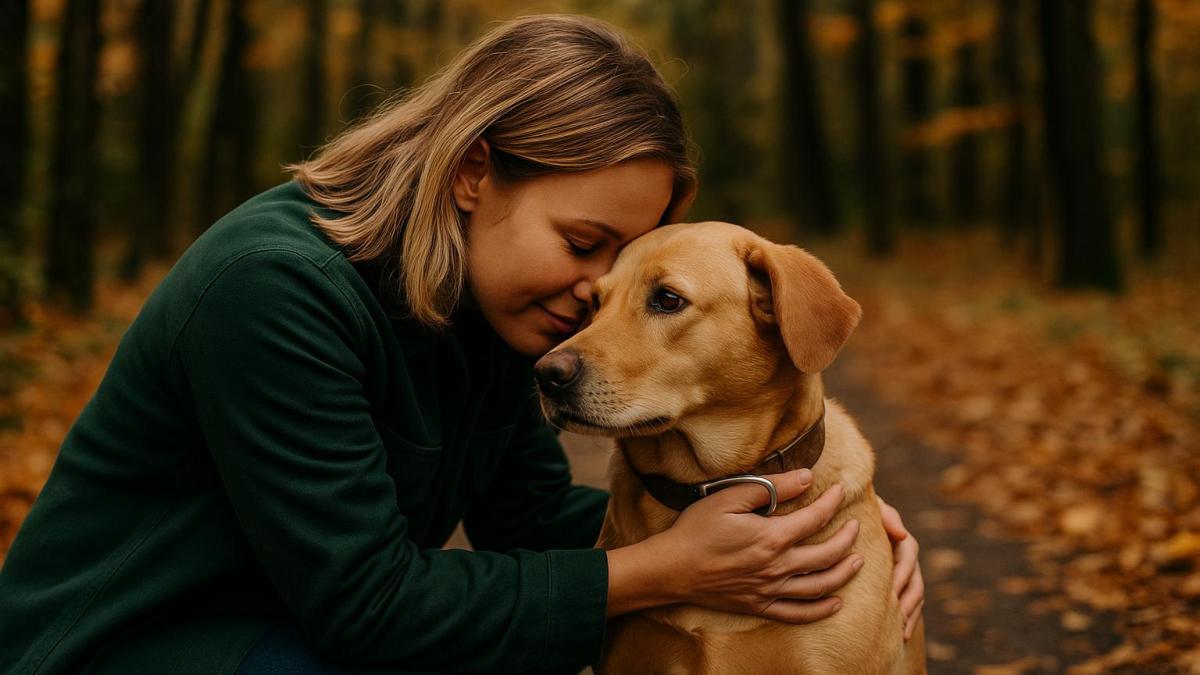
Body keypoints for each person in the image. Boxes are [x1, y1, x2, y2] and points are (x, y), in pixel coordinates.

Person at [0, 14, 923, 675]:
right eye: (581, 244)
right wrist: (664, 568)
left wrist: (805, 535)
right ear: (474, 172)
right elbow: (373, 606)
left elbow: (531, 519)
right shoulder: (272, 288)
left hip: (283, 627)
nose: (587, 299)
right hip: (135, 643)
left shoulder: (490, 309)